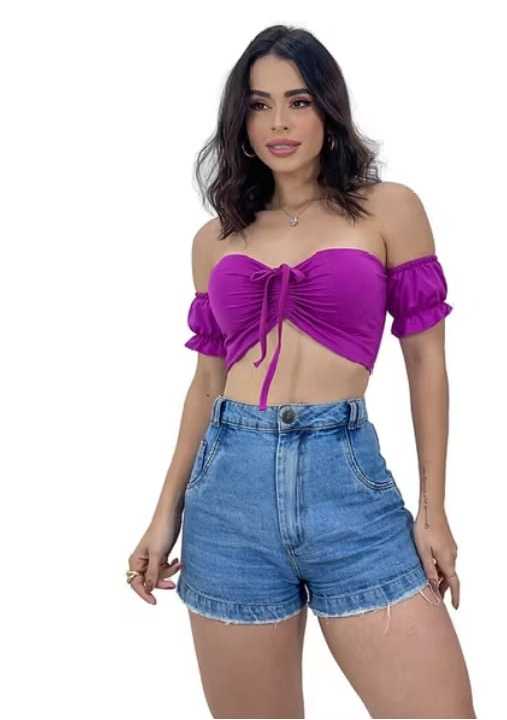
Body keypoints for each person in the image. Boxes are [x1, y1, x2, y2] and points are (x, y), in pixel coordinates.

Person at [127, 24, 476, 719]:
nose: (279, 123)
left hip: (347, 485)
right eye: (260, 105)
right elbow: (207, 385)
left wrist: (433, 509)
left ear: (328, 109)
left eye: (299, 101)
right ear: (241, 120)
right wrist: (164, 514)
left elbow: (426, 360)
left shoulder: (390, 209)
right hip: (229, 498)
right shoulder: (215, 239)